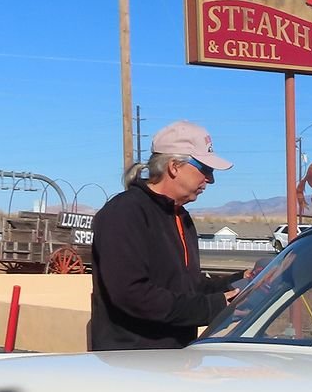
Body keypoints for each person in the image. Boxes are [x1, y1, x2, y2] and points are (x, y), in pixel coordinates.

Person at [88, 121, 241, 351]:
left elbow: (188, 287)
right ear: (174, 166)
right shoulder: (124, 213)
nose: (210, 179)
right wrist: (213, 307)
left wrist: (240, 281)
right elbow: (132, 295)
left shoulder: (181, 217)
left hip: (175, 362)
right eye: (205, 169)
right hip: (130, 368)